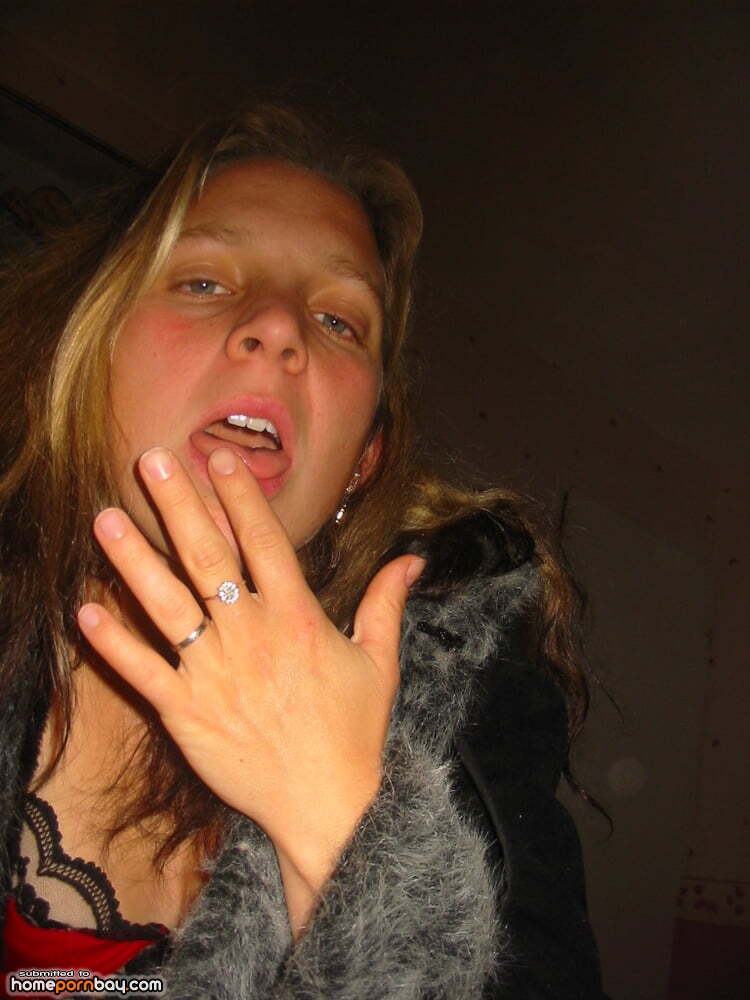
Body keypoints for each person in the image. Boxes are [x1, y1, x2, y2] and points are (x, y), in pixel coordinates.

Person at [0, 104, 604, 997]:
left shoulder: (471, 716)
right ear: (85, 355)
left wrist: (342, 825)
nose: (278, 325)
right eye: (203, 281)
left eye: (339, 322)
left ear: (363, 461)